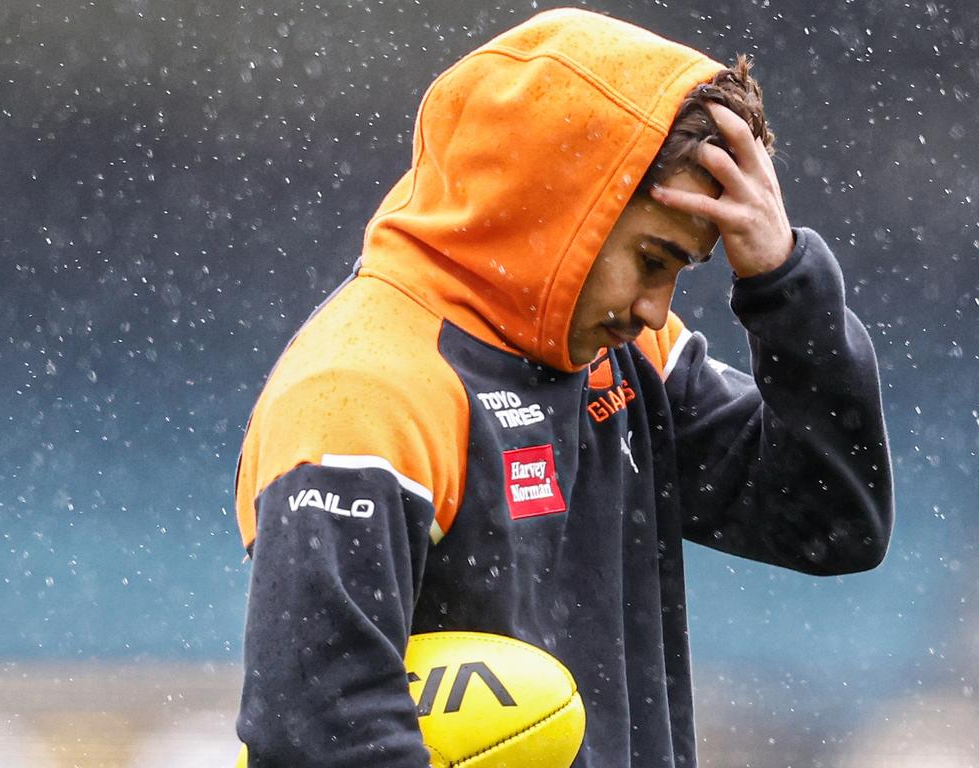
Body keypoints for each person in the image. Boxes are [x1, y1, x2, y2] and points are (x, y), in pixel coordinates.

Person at [232, 7, 893, 767]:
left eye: (680, 273)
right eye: (652, 260)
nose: (656, 307)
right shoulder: (362, 392)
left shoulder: (628, 358)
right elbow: (318, 730)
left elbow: (832, 519)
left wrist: (782, 279)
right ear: (564, 206)